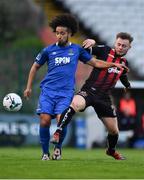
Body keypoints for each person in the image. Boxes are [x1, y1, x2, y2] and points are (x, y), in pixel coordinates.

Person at [24, 13, 127, 160]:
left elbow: (96, 63)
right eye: (57, 33)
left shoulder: (77, 50)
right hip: (48, 91)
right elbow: (34, 67)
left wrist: (113, 64)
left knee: (62, 119)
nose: (59, 36)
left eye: (63, 33)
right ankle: (45, 153)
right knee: (45, 120)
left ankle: (57, 149)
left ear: (70, 33)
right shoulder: (48, 50)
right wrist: (28, 88)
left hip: (66, 92)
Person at [51, 32, 133, 160]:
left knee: (114, 131)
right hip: (89, 90)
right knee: (75, 104)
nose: (120, 47)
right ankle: (58, 132)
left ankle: (111, 151)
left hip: (104, 97)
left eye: (124, 46)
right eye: (119, 44)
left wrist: (127, 85)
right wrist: (92, 43)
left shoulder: (124, 62)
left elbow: (122, 74)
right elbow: (84, 51)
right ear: (115, 43)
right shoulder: (105, 50)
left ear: (129, 48)